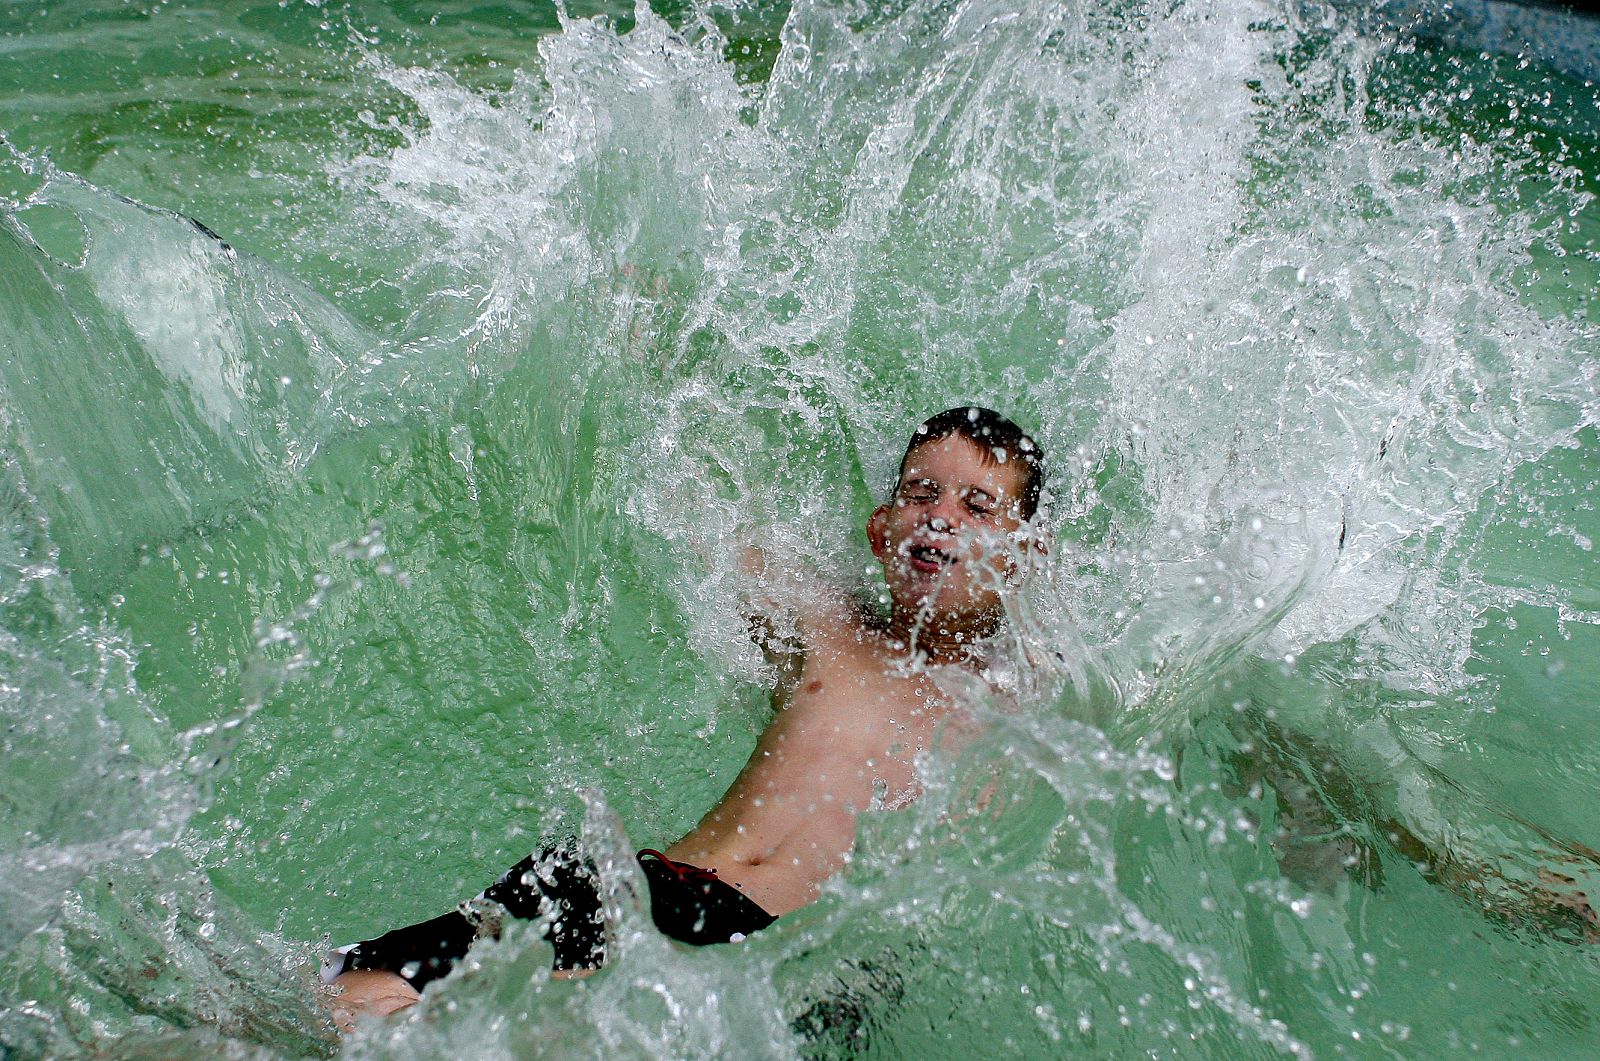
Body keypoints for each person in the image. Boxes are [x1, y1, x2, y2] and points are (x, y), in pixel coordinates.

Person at [321, 406, 1047, 1030]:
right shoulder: (830, 626)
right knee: (337, 1000)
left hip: (756, 951)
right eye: (922, 492)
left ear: (1021, 556)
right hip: (635, 886)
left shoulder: (1016, 710)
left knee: (488, 1028)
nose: (942, 515)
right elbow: (707, 501)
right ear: (881, 531)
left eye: (978, 506)